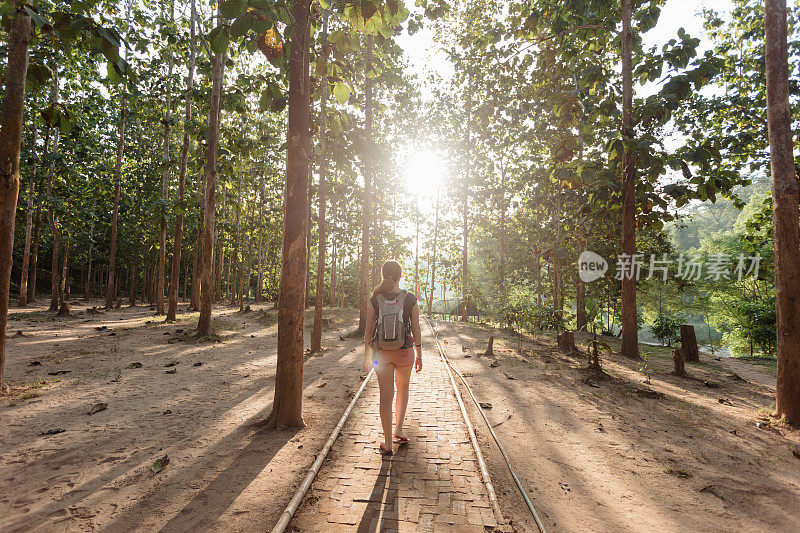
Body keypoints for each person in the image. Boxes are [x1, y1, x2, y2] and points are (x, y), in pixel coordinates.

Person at [363, 260, 423, 455]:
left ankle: (387, 443)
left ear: (383, 274)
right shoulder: (410, 298)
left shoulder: (375, 299)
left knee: (385, 398)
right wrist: (419, 353)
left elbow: (369, 329)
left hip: (381, 354)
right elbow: (416, 327)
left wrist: (367, 356)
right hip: (405, 352)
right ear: (400, 275)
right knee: (403, 388)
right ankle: (399, 429)